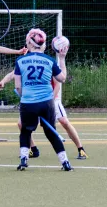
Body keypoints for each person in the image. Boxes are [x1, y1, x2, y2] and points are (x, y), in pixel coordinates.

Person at [0, 38, 86, 159]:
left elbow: (58, 85)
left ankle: (80, 149)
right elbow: (13, 74)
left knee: (64, 121)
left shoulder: (47, 61)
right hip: (34, 99)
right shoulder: (25, 61)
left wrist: (51, 100)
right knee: (21, 124)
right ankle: (34, 149)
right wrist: (3, 81)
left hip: (51, 98)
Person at [12, 28, 73, 171]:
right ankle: (65, 162)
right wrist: (62, 59)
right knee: (51, 132)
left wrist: (25, 97)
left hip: (28, 103)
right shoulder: (49, 61)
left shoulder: (20, 60)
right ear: (43, 45)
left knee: (26, 131)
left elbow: (18, 87)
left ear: (30, 43)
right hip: (47, 102)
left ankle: (23, 160)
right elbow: (62, 78)